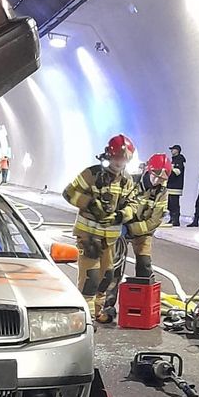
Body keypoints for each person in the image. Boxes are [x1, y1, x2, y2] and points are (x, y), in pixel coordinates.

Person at [63, 134, 137, 324]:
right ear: (109, 155)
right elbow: (69, 193)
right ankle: (85, 318)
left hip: (109, 239)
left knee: (106, 277)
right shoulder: (92, 174)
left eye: (124, 160)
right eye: (117, 158)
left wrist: (120, 215)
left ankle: (97, 311)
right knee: (91, 278)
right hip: (88, 236)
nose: (119, 163)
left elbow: (133, 204)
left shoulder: (126, 180)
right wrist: (90, 204)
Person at [126, 153, 172, 279]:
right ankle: (110, 291)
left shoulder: (162, 192)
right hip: (122, 227)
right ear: (148, 170)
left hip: (143, 231)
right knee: (114, 263)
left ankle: (143, 288)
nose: (157, 181)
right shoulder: (130, 181)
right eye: (155, 176)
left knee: (144, 265)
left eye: (161, 179)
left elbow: (155, 220)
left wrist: (132, 229)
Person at [165, 145, 185, 226]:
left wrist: (169, 171)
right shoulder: (173, 160)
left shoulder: (179, 160)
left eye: (173, 149)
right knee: (169, 204)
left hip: (176, 186)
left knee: (174, 203)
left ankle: (176, 220)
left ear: (177, 150)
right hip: (170, 185)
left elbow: (177, 172)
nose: (171, 151)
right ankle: (172, 218)